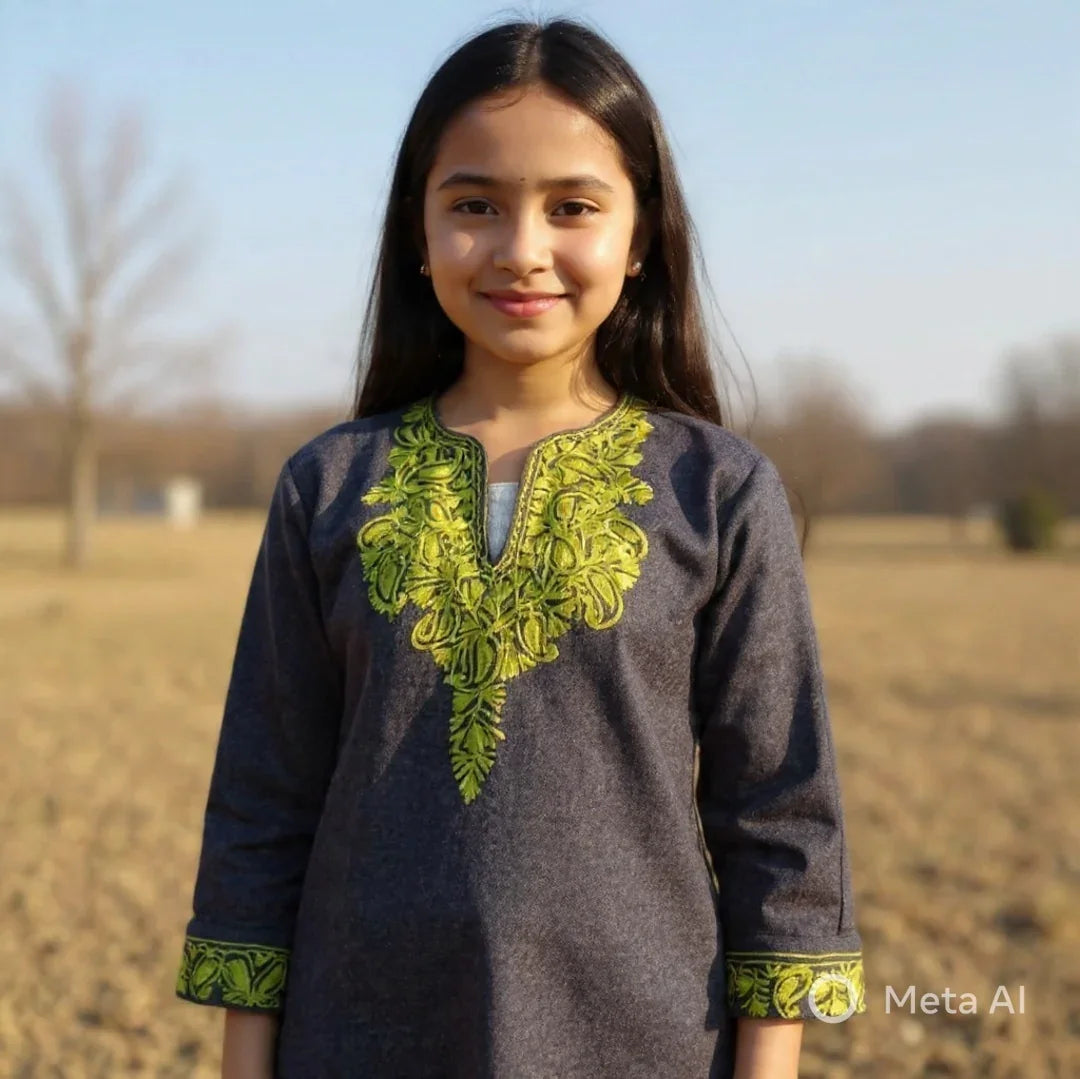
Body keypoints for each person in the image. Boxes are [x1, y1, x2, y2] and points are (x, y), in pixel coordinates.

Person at [175, 17, 865, 1079]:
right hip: (360, 1033)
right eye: (475, 205)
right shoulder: (328, 486)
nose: (522, 248)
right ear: (419, 229)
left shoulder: (719, 492)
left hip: (644, 1040)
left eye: (573, 207)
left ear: (642, 238)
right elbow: (263, 801)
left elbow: (781, 816)